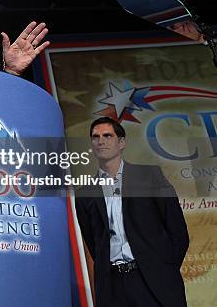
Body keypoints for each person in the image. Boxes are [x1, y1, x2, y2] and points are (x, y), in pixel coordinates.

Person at [75, 117, 189, 307]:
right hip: (112, 287)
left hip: (153, 281)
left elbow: (177, 230)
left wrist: (163, 267)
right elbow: (95, 245)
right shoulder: (84, 193)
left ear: (121, 143)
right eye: (95, 137)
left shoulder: (150, 176)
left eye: (107, 135)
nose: (100, 141)